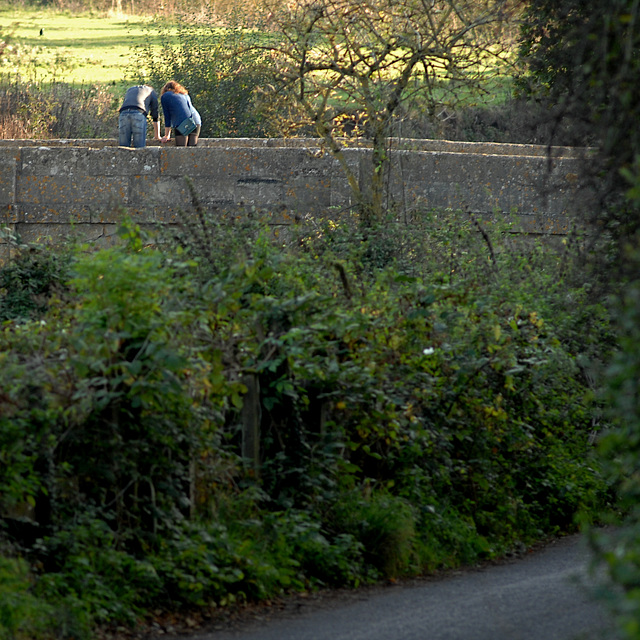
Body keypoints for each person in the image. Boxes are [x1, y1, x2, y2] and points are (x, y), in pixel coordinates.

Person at [159, 81, 202, 147]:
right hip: (196, 120)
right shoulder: (184, 94)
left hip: (183, 121)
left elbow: (167, 117)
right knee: (192, 150)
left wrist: (167, 135)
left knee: (181, 151)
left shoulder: (165, 96)